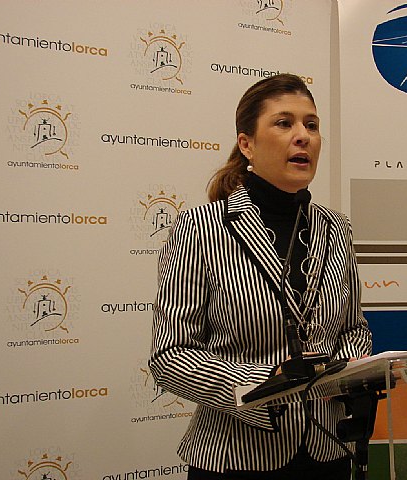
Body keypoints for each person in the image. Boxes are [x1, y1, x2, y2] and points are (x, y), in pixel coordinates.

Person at [149, 73, 372, 479]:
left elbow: (354, 329)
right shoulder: (200, 227)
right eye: (284, 123)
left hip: (328, 452)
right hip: (237, 457)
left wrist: (346, 369)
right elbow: (170, 355)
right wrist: (267, 383)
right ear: (247, 144)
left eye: (312, 125)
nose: (303, 136)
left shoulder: (336, 228)